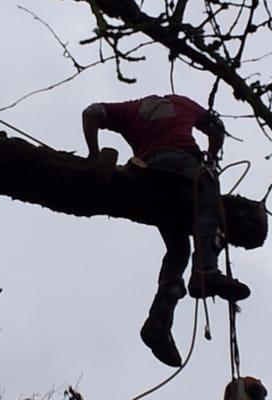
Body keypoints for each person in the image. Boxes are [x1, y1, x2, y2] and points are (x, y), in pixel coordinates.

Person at [81, 95, 251, 367]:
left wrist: (93, 153)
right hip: (183, 167)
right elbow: (216, 126)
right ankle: (206, 270)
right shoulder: (183, 104)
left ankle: (158, 322)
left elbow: (91, 112)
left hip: (149, 176)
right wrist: (212, 156)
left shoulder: (130, 108)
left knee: (178, 250)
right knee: (207, 196)